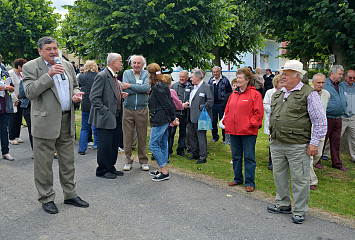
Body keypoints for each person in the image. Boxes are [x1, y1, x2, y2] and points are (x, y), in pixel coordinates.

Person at [22, 36, 89, 214]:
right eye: (48, 49)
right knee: (44, 165)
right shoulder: (31, 67)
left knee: (68, 162)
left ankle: (70, 194)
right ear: (40, 51)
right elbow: (29, 92)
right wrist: (48, 75)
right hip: (45, 122)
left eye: (55, 48)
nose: (53, 52)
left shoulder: (66, 65)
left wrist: (75, 95)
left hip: (66, 120)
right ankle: (46, 198)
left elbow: (74, 85)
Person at [267, 60, 327, 224]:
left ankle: (299, 210)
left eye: (286, 73)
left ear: (297, 76)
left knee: (300, 178)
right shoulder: (278, 93)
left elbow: (320, 121)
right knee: (279, 175)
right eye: (282, 73)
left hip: (298, 145)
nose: (282, 76)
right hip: (277, 143)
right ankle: (283, 204)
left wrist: (314, 143)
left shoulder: (309, 93)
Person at [224, 67, 263, 192]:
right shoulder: (234, 94)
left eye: (240, 78)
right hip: (233, 130)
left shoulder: (255, 94)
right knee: (236, 156)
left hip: (248, 131)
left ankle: (250, 181)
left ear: (247, 80)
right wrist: (226, 120)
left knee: (249, 157)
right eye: (237, 77)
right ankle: (238, 178)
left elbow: (258, 113)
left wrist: (251, 123)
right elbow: (228, 109)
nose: (238, 80)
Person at [89, 53, 126, 179]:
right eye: (120, 61)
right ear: (113, 62)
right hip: (105, 117)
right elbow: (94, 97)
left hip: (115, 117)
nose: (122, 64)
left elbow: (112, 94)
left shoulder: (113, 76)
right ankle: (102, 170)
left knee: (113, 144)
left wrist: (121, 96)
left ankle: (110, 167)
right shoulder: (102, 76)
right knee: (105, 145)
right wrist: (105, 111)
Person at [147, 64, 177, 181]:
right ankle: (161, 169)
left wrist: (172, 118)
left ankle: (164, 171)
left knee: (153, 144)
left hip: (160, 118)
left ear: (151, 74)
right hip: (163, 118)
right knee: (163, 143)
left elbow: (166, 103)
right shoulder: (161, 85)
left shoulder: (157, 87)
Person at [121, 55, 150, 171]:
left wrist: (131, 86)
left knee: (142, 136)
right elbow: (125, 88)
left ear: (143, 64)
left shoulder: (146, 74)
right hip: (128, 109)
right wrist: (139, 88)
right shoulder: (127, 73)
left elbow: (147, 88)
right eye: (134, 63)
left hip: (142, 109)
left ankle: (143, 161)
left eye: (139, 63)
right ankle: (128, 160)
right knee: (127, 136)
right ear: (131, 64)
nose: (136, 65)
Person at [318, 65, 348, 171]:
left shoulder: (340, 85)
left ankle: (337, 163)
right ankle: (317, 160)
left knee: (336, 141)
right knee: (322, 140)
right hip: (327, 117)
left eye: (342, 74)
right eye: (339, 74)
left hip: (338, 117)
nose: (341, 76)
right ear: (332, 74)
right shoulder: (324, 84)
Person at [185, 69, 213, 164]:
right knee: (192, 136)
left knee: (201, 136)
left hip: (201, 117)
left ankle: (202, 156)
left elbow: (210, 101)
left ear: (197, 77)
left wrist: (202, 106)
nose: (190, 79)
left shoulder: (207, 87)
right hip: (191, 116)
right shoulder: (193, 87)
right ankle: (194, 153)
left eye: (192, 77)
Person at [308, 73, 330, 191]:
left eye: (322, 83)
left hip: (321, 129)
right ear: (313, 82)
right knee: (309, 157)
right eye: (318, 83)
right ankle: (312, 181)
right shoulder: (309, 94)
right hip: (310, 128)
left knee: (318, 154)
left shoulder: (326, 94)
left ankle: (305, 171)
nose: (320, 85)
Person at [170, 70, 193, 157]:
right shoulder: (174, 86)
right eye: (180, 76)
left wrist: (187, 104)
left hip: (185, 113)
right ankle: (169, 150)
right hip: (175, 113)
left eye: (183, 77)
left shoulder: (191, 87)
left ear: (187, 78)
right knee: (172, 132)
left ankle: (181, 150)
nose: (182, 78)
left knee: (183, 133)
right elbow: (171, 99)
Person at [77, 60, 99, 155]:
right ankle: (98, 144)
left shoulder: (81, 77)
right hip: (96, 103)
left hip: (85, 103)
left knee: (84, 127)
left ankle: (82, 148)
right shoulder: (98, 76)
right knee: (97, 126)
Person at [263, 74, 284, 170]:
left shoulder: (286, 92)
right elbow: (265, 104)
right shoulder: (269, 92)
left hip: (283, 122)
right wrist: (275, 110)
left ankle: (282, 163)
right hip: (272, 120)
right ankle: (272, 162)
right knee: (273, 142)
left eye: (284, 82)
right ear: (276, 83)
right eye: (281, 82)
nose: (283, 84)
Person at [208, 66, 232, 143]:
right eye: (214, 72)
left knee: (224, 121)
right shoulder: (211, 80)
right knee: (213, 121)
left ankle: (225, 138)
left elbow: (229, 92)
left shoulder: (225, 80)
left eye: (217, 72)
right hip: (213, 104)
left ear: (220, 71)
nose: (215, 73)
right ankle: (215, 137)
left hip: (222, 104)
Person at [8, 58, 27, 145]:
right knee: (13, 119)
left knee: (19, 118)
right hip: (14, 99)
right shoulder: (11, 73)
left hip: (21, 99)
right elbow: (9, 88)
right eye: (23, 66)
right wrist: (15, 99)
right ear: (19, 66)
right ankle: (11, 137)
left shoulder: (22, 74)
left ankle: (17, 135)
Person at [0, 55, 15, 161]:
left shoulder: (4, 73)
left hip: (4, 106)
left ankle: (5, 152)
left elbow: (12, 88)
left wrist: (9, 88)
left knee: (4, 130)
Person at [165, 74, 184, 158]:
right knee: (169, 135)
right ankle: (168, 152)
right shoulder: (171, 91)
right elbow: (178, 104)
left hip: (159, 118)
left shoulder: (156, 91)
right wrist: (183, 106)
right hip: (169, 118)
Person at [340, 69, 355, 163]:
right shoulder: (340, 86)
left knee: (354, 138)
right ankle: (325, 155)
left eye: (354, 78)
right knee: (335, 137)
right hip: (341, 117)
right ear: (345, 77)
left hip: (353, 117)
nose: (352, 79)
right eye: (350, 77)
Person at [222, 78, 238, 147]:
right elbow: (224, 106)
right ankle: (227, 140)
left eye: (236, 86)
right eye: (233, 86)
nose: (235, 87)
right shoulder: (228, 96)